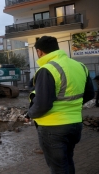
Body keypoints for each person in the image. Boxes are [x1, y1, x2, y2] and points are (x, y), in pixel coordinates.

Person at [26, 36, 94, 173]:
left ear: (39, 52)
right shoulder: (79, 66)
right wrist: (72, 107)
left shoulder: (47, 69)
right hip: (75, 124)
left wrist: (29, 114)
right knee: (68, 161)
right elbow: (90, 94)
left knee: (58, 167)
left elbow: (42, 104)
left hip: (53, 128)